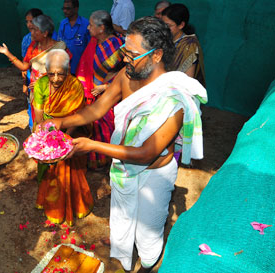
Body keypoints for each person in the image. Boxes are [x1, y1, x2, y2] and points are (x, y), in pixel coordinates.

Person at [42, 17, 207, 272]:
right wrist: (60, 122)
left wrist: (93, 146)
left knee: (148, 235)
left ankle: (147, 265)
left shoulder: (173, 97)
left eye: (132, 54)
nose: (125, 59)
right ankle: (126, 262)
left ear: (157, 55)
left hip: (153, 176)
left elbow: (146, 154)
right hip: (123, 168)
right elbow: (96, 109)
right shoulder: (126, 75)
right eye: (124, 52)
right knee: (121, 223)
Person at [32, 49, 93, 226]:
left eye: (61, 74)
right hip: (46, 131)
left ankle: (71, 206)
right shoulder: (41, 84)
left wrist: (62, 142)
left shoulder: (75, 86)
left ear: (68, 71)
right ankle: (50, 204)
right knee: (48, 171)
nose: (56, 79)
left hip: (69, 132)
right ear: (46, 72)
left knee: (67, 171)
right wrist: (43, 140)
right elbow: (39, 115)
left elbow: (78, 117)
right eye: (52, 74)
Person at [0, 15, 68, 131]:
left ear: (45, 33)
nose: (31, 33)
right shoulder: (33, 46)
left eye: (35, 30)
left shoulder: (59, 49)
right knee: (38, 122)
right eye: (31, 29)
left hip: (54, 95)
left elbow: (64, 75)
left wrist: (44, 84)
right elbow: (24, 66)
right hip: (35, 93)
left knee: (52, 125)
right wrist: (6, 53)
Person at [76, 10, 124, 170]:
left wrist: (106, 86)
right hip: (94, 93)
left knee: (110, 126)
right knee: (95, 125)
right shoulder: (94, 43)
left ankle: (113, 158)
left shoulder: (118, 46)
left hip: (112, 95)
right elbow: (86, 65)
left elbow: (123, 72)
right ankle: (99, 159)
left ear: (101, 28)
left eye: (90, 25)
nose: (88, 28)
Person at [161, 3, 205, 86]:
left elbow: (188, 79)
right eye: (163, 24)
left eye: (168, 25)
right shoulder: (164, 40)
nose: (164, 29)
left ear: (181, 25)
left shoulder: (189, 45)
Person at [57, 0, 90, 74]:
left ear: (76, 9)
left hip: (81, 68)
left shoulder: (86, 24)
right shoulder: (63, 24)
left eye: (68, 8)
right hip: (65, 68)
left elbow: (90, 47)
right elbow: (59, 44)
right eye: (64, 8)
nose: (65, 11)